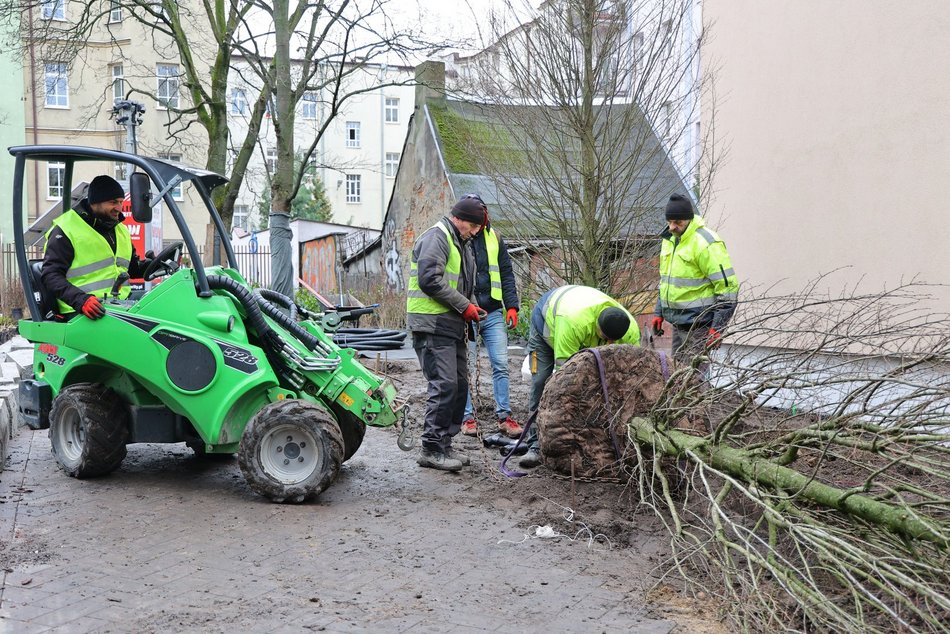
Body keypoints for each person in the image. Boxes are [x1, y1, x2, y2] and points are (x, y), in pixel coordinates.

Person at [406, 195, 487, 472]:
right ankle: (431, 447)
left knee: (459, 386)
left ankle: (444, 443)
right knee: (444, 385)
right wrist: (465, 306)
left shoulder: (460, 242)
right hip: (432, 323)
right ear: (459, 218)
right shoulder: (437, 237)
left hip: (451, 324)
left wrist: (471, 305)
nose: (474, 232)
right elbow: (429, 280)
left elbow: (462, 284)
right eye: (473, 226)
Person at [520, 285, 641, 468]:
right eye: (606, 338)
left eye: (614, 341)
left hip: (579, 330)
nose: (610, 343)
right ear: (597, 326)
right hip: (546, 328)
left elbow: (629, 374)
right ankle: (535, 444)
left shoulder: (630, 331)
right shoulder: (573, 323)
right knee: (542, 382)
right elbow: (564, 378)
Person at [458, 194, 524, 440]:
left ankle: (504, 417)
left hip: (493, 310)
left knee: (501, 364)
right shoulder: (457, 237)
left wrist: (512, 306)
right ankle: (467, 418)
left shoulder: (495, 237)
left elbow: (506, 272)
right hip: (466, 311)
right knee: (466, 367)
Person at [42, 175, 150, 319]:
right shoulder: (67, 229)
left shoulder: (120, 230)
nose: (119, 208)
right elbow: (51, 276)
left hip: (118, 305)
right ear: (95, 202)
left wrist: (156, 265)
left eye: (121, 202)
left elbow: (132, 269)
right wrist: (81, 300)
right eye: (113, 202)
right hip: (83, 311)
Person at [651, 194, 738, 366]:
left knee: (695, 377)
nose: (672, 227)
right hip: (678, 324)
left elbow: (728, 288)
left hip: (700, 326)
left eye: (678, 222)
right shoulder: (670, 240)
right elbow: (667, 281)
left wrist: (717, 327)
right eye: (669, 222)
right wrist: (659, 312)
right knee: (676, 373)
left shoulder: (706, 243)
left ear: (689, 219)